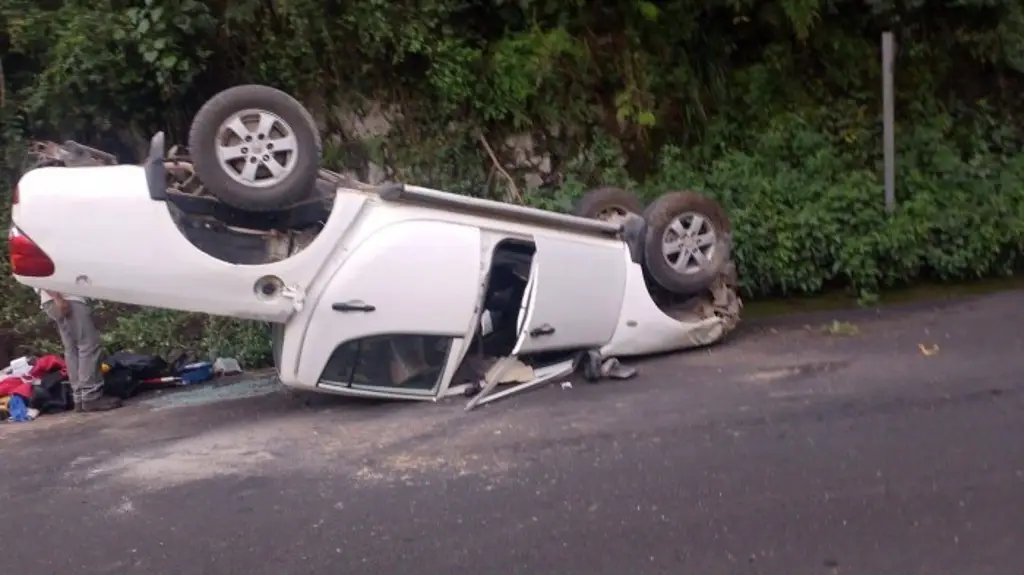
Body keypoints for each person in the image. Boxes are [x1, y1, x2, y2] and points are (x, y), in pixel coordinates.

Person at [39, 290, 121, 412]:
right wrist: (57, 298)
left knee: (72, 349)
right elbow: (43, 275)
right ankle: (90, 396)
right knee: (88, 345)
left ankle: (80, 398)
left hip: (55, 299)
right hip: (66, 298)